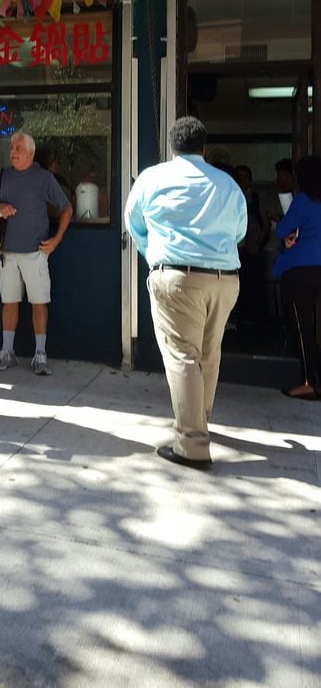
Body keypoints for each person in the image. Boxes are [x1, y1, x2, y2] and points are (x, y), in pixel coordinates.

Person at [124, 116, 247, 469]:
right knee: (209, 354)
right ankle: (200, 422)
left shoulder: (152, 178)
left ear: (172, 148)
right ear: (203, 148)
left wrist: (154, 254)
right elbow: (239, 231)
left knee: (182, 357)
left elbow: (135, 224)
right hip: (225, 279)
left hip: (176, 278)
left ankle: (192, 444)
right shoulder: (228, 184)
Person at [0, 132, 72, 376]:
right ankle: (7, 352)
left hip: (35, 253)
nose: (12, 151)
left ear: (31, 153)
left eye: (18, 148)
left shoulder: (44, 178)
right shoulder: (2, 175)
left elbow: (66, 208)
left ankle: (40, 355)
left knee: (39, 303)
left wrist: (56, 240)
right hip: (7, 253)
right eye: (12, 147)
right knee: (9, 302)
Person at [272, 155, 321, 401]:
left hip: (301, 270)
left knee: (303, 329)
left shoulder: (302, 200)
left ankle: (308, 382)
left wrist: (289, 235)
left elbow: (282, 230)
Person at [234, 164, 270, 322]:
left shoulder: (256, 197)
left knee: (254, 284)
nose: (242, 181)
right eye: (239, 177)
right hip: (236, 248)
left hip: (253, 246)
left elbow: (266, 222)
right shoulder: (232, 197)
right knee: (238, 285)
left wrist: (258, 242)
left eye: (245, 177)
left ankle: (256, 318)